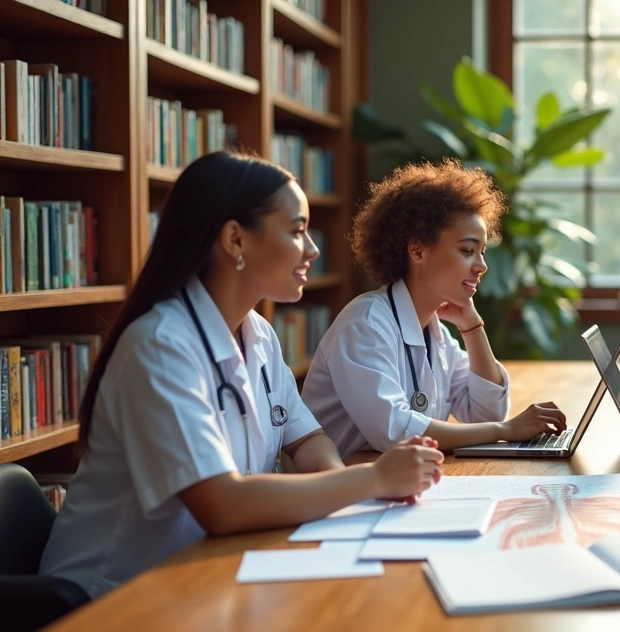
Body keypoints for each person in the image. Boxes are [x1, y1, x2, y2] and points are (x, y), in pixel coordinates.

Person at [38, 151, 443, 599]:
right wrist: (373, 480)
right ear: (235, 240)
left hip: (208, 576)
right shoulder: (160, 345)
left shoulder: (260, 334)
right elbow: (222, 505)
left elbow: (306, 439)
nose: (312, 249)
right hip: (112, 600)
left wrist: (341, 493)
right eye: (297, 231)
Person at [302, 159, 566, 461]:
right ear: (417, 251)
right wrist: (505, 431)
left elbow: (483, 412)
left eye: (482, 252)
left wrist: (472, 327)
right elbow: (396, 434)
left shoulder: (434, 331)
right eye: (467, 251)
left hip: (394, 484)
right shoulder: (365, 325)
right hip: (343, 494)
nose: (481, 266)